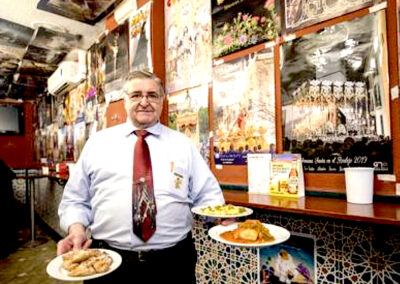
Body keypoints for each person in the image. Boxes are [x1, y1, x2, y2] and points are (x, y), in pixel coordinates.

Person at [57, 70, 224, 283]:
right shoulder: (97, 144)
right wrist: (76, 229)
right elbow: (75, 200)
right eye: (136, 95)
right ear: (125, 100)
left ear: (162, 101)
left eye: (152, 95)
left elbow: (208, 195)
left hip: (173, 263)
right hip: (108, 263)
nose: (144, 102)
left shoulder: (183, 145)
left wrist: (222, 217)